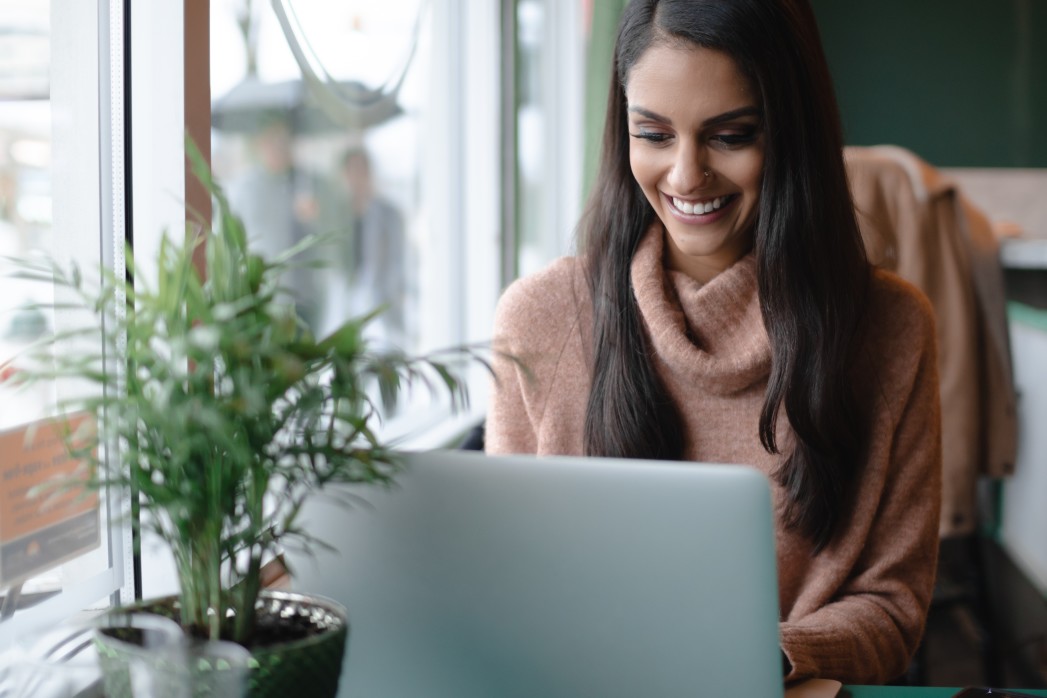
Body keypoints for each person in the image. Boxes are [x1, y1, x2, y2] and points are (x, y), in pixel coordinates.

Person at [486, 0, 941, 686]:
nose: (685, 175)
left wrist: (761, 656)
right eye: (654, 134)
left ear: (792, 132)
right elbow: (506, 580)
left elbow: (891, 606)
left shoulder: (890, 328)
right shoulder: (539, 318)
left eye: (730, 135)